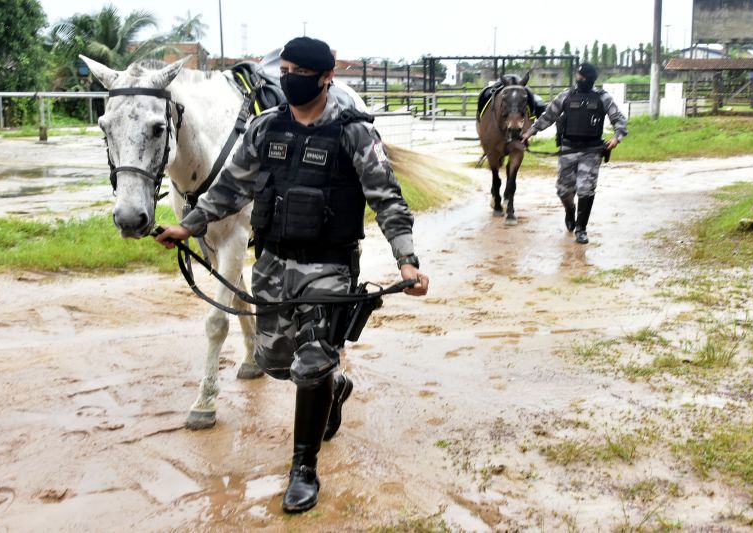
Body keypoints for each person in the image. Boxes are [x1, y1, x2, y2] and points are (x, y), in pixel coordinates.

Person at [155, 36, 429, 513]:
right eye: (284, 69)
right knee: (278, 361)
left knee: (310, 364)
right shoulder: (264, 128)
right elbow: (229, 188)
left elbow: (387, 198)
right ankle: (334, 386)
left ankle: (303, 468)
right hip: (273, 265)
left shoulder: (352, 132)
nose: (288, 79)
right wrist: (187, 225)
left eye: (299, 72)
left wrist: (407, 260)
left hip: (329, 266)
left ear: (326, 78)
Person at [521, 63, 628, 244]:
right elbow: (548, 116)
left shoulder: (603, 97)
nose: (578, 78)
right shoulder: (566, 96)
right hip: (568, 149)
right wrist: (529, 132)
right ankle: (570, 211)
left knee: (586, 189)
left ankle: (581, 228)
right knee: (563, 190)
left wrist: (617, 138)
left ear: (588, 78)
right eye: (577, 75)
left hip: (591, 151)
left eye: (581, 76)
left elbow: (619, 119)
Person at [476, 73, 547, 123]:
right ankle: (481, 116)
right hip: (504, 80)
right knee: (486, 93)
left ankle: (534, 116)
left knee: (537, 100)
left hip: (514, 79)